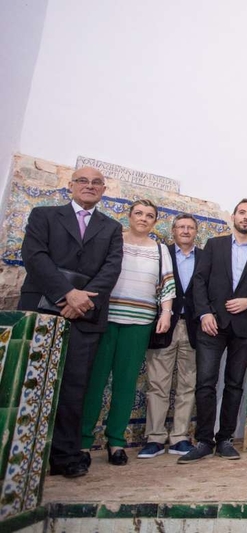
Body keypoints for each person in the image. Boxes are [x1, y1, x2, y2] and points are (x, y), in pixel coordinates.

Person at [18, 167, 123, 478]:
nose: (89, 186)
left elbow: (111, 268)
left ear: (104, 189)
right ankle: (24, 455)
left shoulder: (111, 227)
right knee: (32, 381)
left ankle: (64, 456)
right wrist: (66, 294)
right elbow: (34, 256)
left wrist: (81, 301)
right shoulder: (44, 215)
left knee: (75, 387)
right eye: (83, 181)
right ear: (71, 186)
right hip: (43, 309)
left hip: (86, 315)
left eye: (96, 183)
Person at [179, 199, 247, 463]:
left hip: (245, 326)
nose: (246, 218)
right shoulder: (214, 245)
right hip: (212, 325)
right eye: (242, 213)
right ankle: (203, 440)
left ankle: (225, 440)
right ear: (233, 217)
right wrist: (204, 313)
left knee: (234, 384)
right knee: (206, 383)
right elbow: (199, 281)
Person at [81, 199, 176, 466]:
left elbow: (167, 285)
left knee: (125, 384)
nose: (143, 218)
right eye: (139, 213)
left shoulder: (159, 249)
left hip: (140, 322)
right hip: (105, 319)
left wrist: (166, 313)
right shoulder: (115, 241)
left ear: (155, 221)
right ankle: (83, 443)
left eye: (149, 215)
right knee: (95, 383)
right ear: (129, 216)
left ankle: (116, 443)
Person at [138, 214, 205, 459]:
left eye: (190, 227)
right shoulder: (161, 254)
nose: (186, 231)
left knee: (188, 385)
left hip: (194, 328)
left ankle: (179, 438)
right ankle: (154, 438)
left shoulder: (205, 257)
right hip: (164, 326)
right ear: (173, 231)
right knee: (158, 384)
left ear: (196, 232)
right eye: (181, 227)